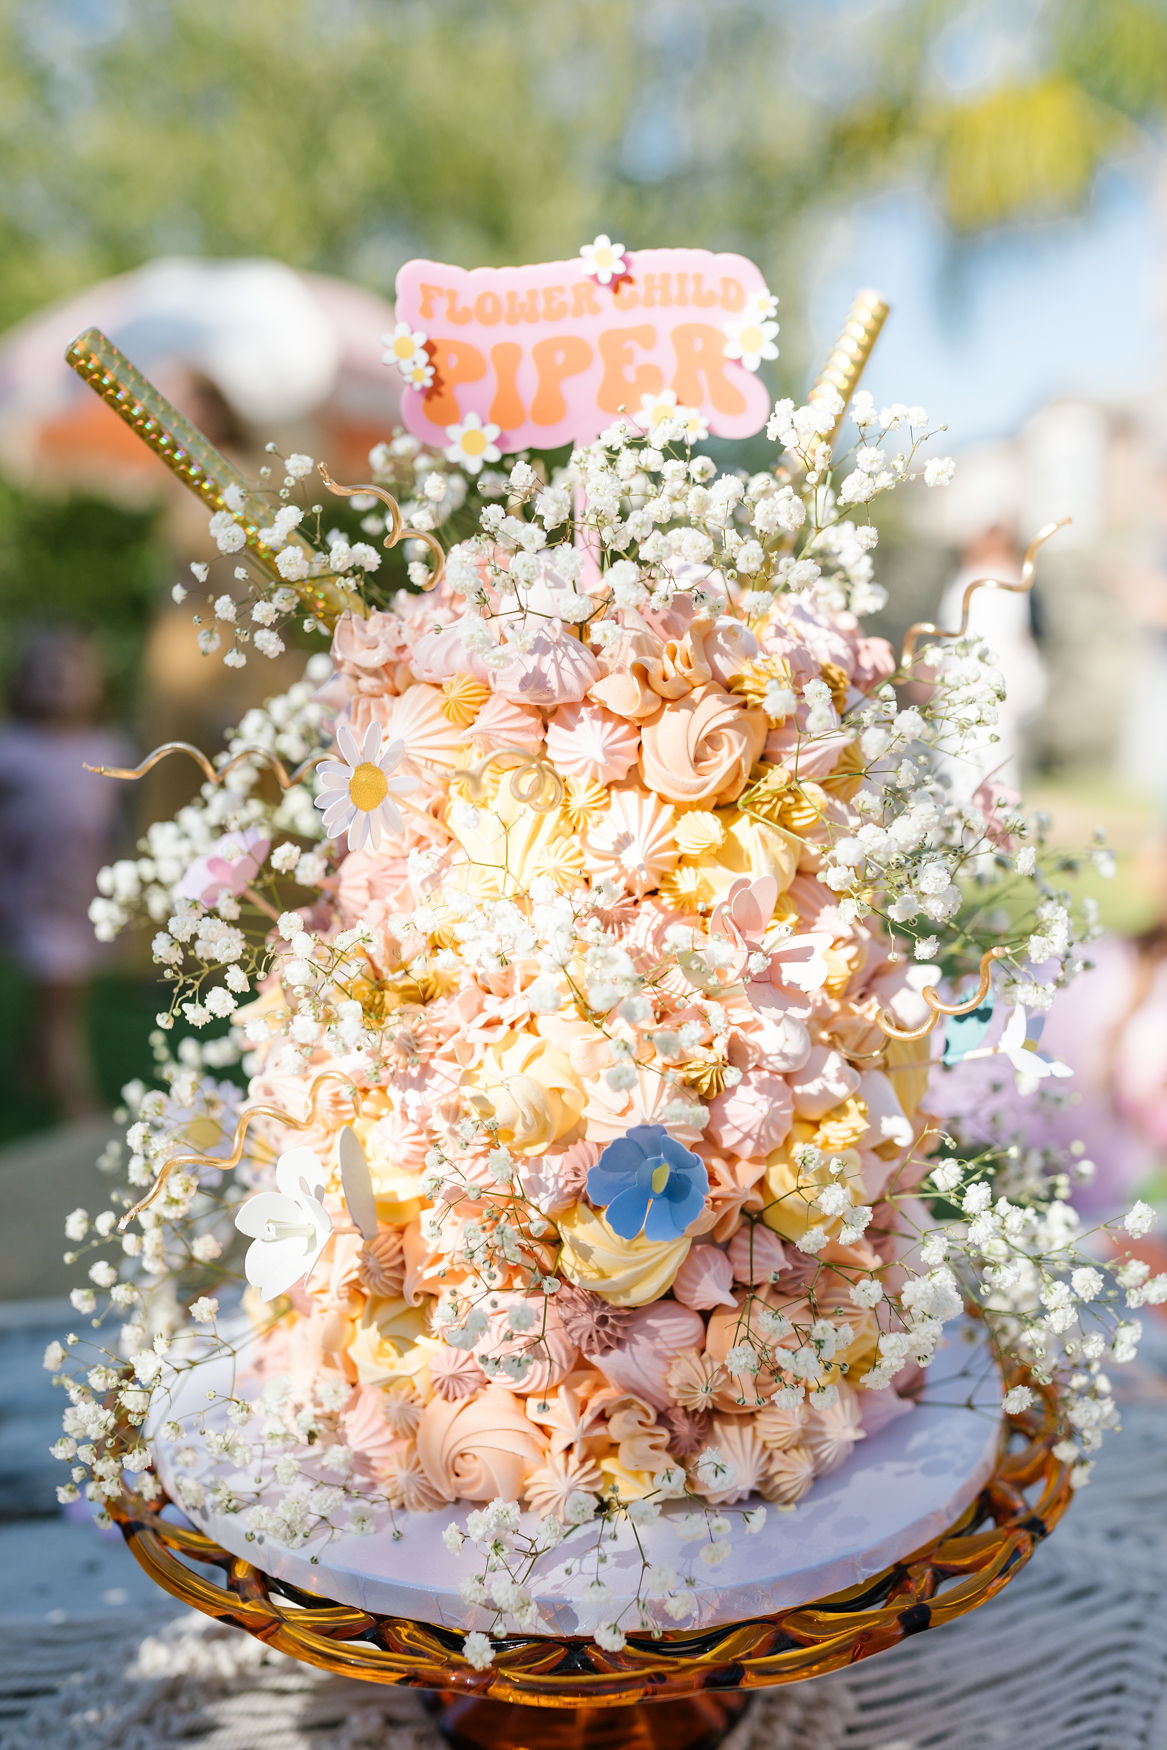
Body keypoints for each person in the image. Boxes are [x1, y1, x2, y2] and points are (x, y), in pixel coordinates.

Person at [0, 627, 132, 1119]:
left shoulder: (110, 748)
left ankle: (31, 1069)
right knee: (61, 1003)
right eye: (46, 672)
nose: (59, 681)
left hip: (83, 894)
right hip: (31, 896)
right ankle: (79, 1106)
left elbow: (120, 821)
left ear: (95, 685)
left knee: (58, 997)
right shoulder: (12, 749)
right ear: (23, 684)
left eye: (72, 672)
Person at [935, 525, 1047, 802]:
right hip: (962, 683)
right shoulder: (975, 580)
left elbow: (1013, 638)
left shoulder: (998, 582)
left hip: (987, 685)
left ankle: (985, 828)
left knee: (989, 755)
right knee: (958, 754)